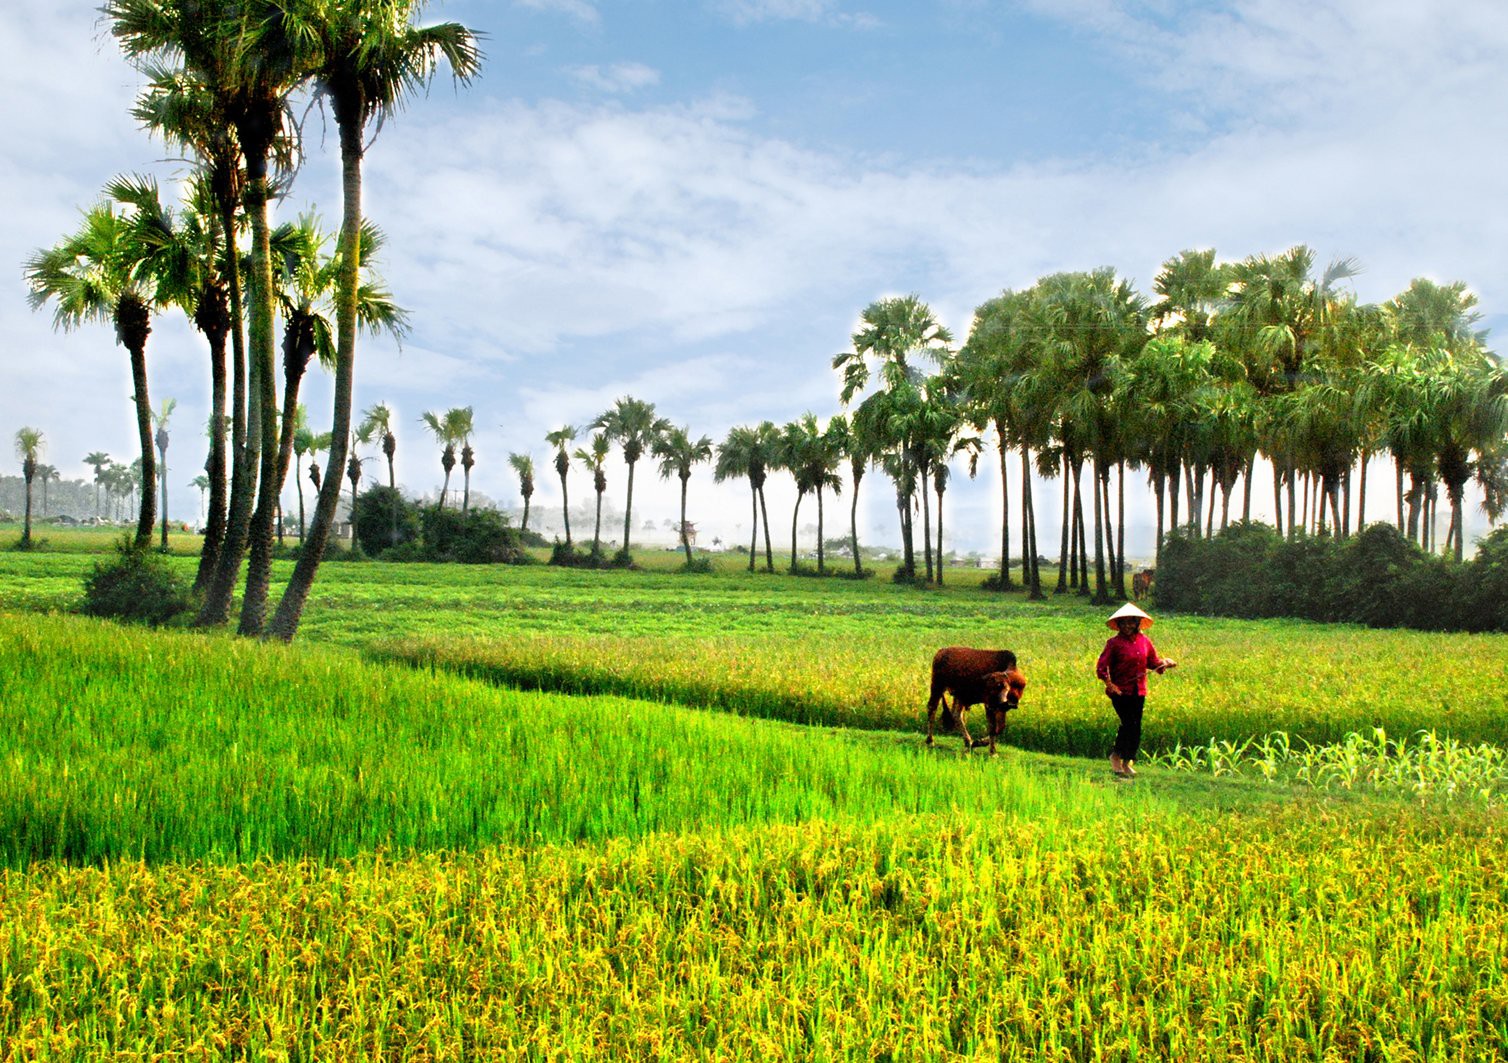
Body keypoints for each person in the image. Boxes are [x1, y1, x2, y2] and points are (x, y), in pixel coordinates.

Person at [1096, 602, 1176, 778]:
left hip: (1138, 691)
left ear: (1137, 623)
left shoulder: (1144, 641)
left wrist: (1166, 663)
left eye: (1131, 622)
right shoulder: (1113, 643)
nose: (1127, 626)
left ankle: (1126, 762)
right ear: (1118, 625)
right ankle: (1115, 756)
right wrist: (1110, 685)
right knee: (1128, 724)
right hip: (1120, 692)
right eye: (1123, 623)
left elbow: (1153, 662)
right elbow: (1102, 667)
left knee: (1136, 727)